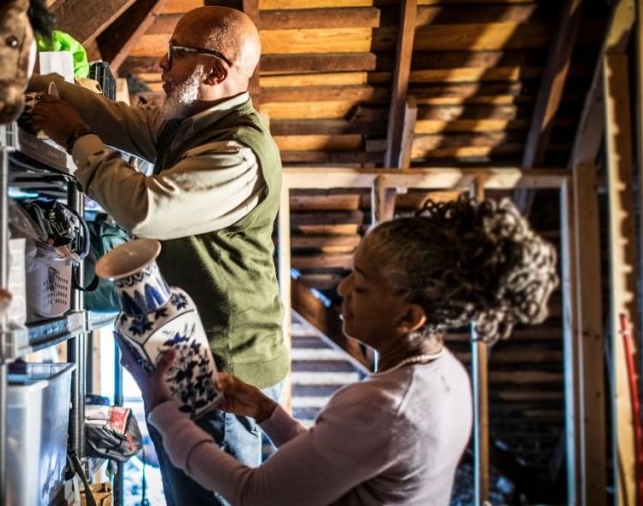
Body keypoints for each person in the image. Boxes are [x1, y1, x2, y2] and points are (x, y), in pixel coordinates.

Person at [120, 197, 559, 505]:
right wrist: (269, 414)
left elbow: (254, 496)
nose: (343, 289)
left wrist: (161, 410)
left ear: (410, 317)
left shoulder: (385, 404)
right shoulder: (447, 375)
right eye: (351, 272)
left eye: (361, 285)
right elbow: (343, 462)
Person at [29, 6, 287, 505]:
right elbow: (116, 119)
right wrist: (38, 83)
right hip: (190, 355)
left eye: (176, 54)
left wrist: (76, 138)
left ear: (214, 71)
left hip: (222, 370)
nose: (162, 66)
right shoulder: (193, 123)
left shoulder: (237, 153)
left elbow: (145, 210)